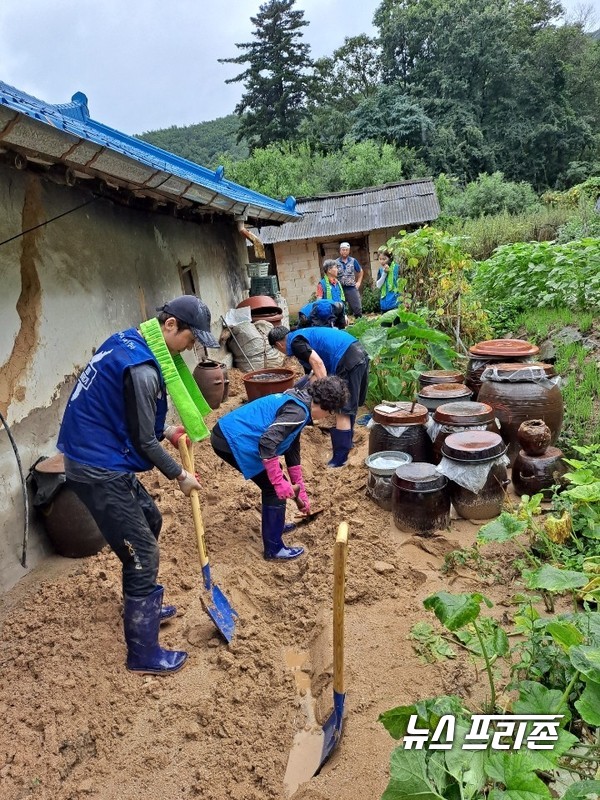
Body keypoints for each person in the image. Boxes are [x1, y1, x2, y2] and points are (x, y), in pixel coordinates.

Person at [57, 295, 219, 676]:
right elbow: (144, 442)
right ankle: (143, 654)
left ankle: (139, 598)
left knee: (149, 520)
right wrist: (180, 477)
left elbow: (128, 413)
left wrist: (166, 429)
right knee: (143, 554)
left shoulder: (128, 340)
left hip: (100, 449)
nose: (192, 347)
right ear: (169, 326)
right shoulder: (144, 370)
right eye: (190, 339)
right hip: (96, 467)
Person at [210, 376, 349, 560]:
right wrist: (278, 482)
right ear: (327, 408)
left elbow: (291, 445)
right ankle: (273, 549)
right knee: (274, 489)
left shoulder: (300, 403)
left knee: (277, 485)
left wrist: (300, 488)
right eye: (330, 414)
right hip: (231, 439)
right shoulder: (297, 412)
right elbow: (267, 442)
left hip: (231, 434)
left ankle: (275, 525)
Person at [268, 326, 370, 467]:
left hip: (347, 358)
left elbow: (318, 363)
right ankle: (347, 443)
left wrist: (326, 391)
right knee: (348, 405)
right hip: (358, 352)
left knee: (342, 411)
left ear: (279, 344)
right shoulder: (301, 336)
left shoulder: (295, 343)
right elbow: (313, 374)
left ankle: (339, 459)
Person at [335, 242, 363, 318]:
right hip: (340, 289)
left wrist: (359, 282)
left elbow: (360, 271)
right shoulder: (336, 262)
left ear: (349, 251)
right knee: (340, 309)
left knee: (357, 308)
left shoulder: (353, 261)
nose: (344, 251)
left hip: (351, 288)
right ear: (340, 251)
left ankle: (359, 324)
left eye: (346, 250)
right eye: (343, 250)